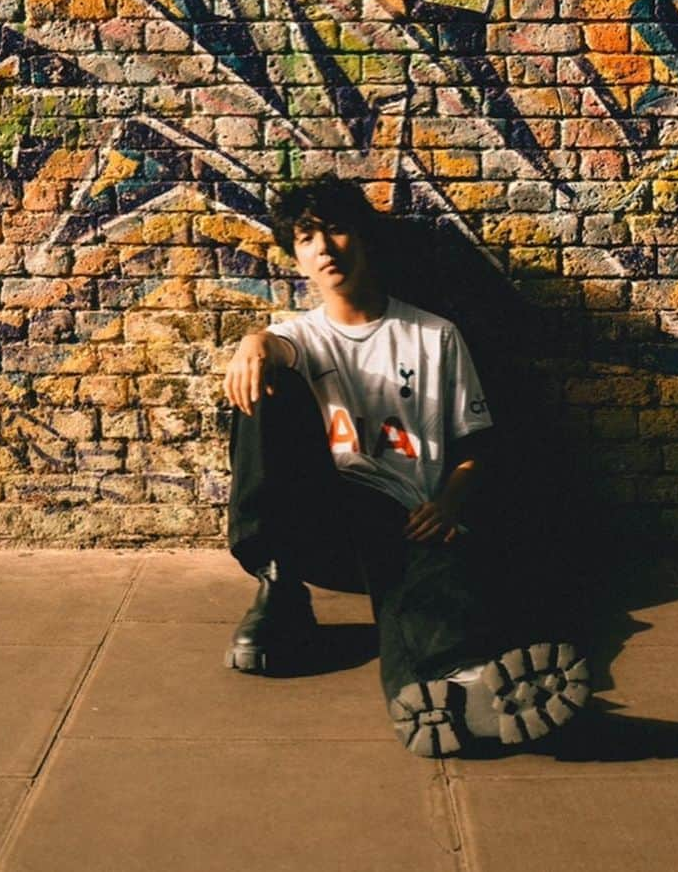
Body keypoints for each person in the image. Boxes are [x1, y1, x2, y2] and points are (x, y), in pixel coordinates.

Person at [222, 175, 591, 757]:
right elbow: (277, 353)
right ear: (296, 254)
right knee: (266, 390)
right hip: (320, 528)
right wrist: (254, 342)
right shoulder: (297, 339)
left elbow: (477, 448)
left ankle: (463, 692)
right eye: (307, 237)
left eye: (336, 230)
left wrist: (449, 502)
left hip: (409, 523)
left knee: (427, 589)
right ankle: (276, 581)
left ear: (364, 238)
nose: (324, 248)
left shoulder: (434, 336)